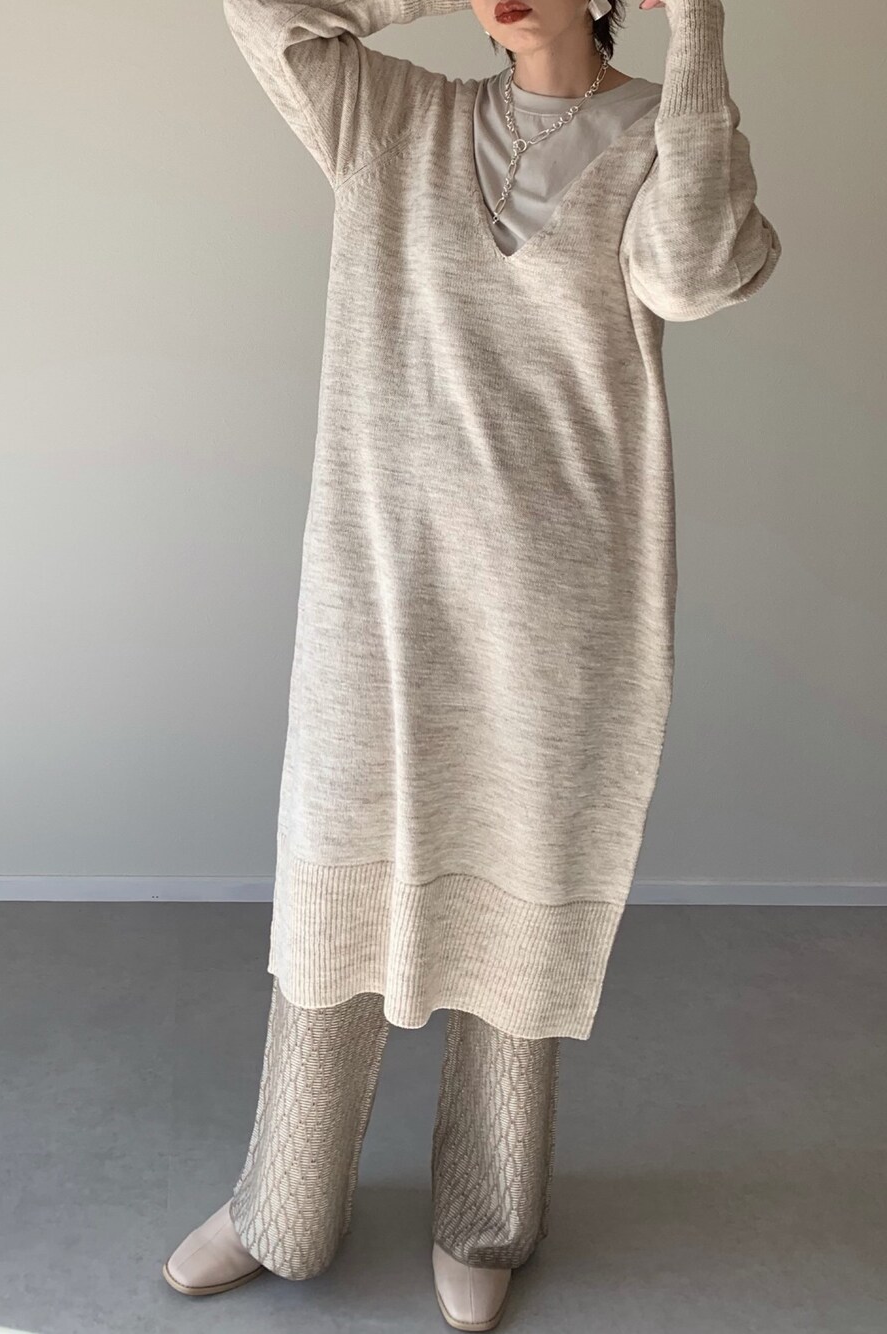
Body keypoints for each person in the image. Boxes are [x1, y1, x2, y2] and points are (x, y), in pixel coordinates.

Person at [162, 0, 781, 1327]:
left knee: (520, 896)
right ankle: (281, 1206)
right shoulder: (396, 117)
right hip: (379, 587)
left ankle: (486, 1217)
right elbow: (263, 14)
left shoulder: (664, 133)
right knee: (335, 883)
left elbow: (691, 273)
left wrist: (699, 31)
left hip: (557, 602)